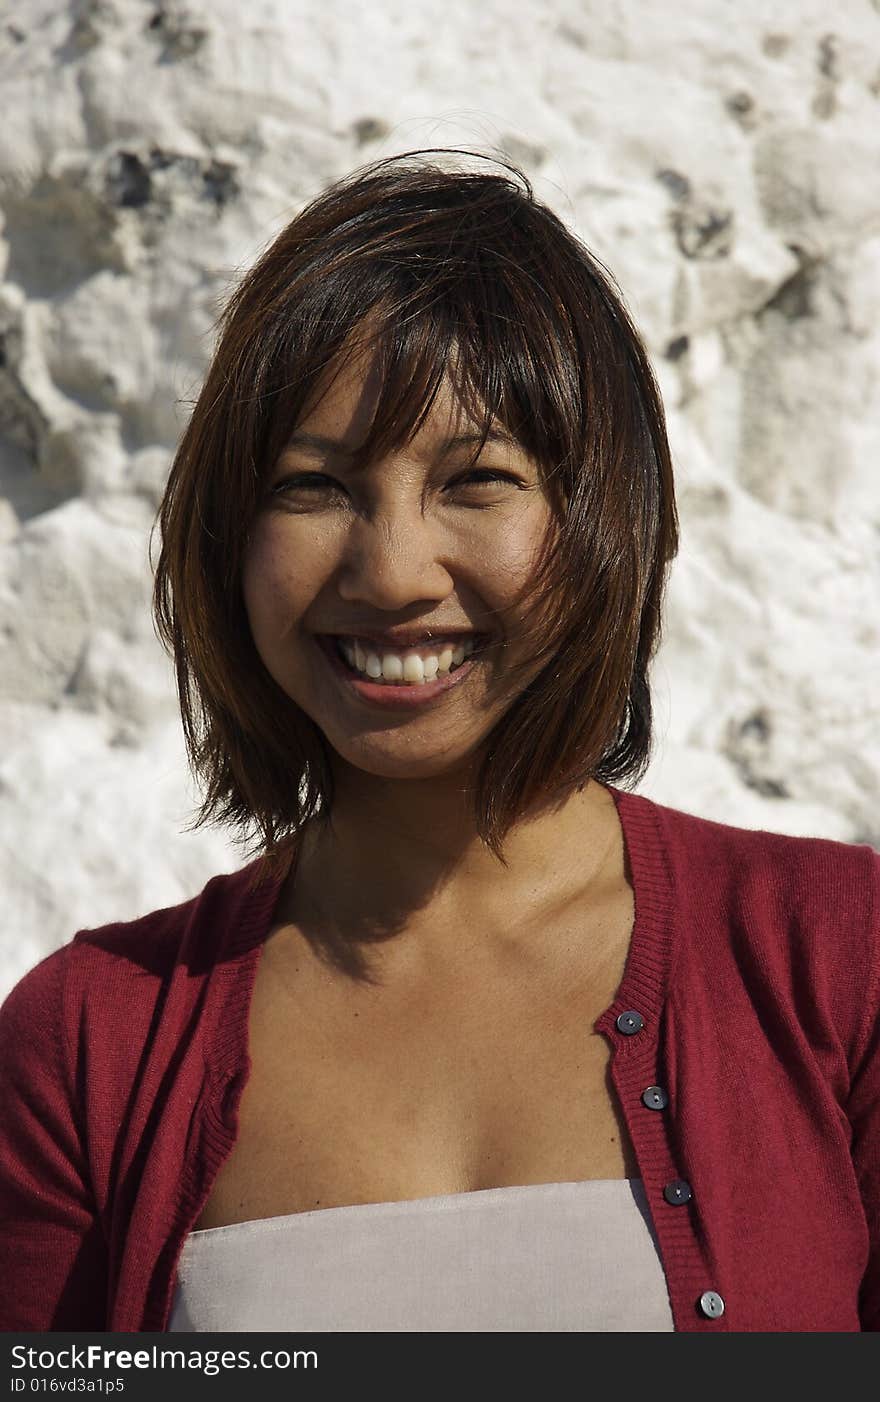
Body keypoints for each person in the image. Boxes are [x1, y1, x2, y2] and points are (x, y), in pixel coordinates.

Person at [1, 151, 878, 1335]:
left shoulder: (837, 962)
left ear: (605, 520)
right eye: (314, 487)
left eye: (477, 481)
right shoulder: (87, 1043)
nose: (393, 574)